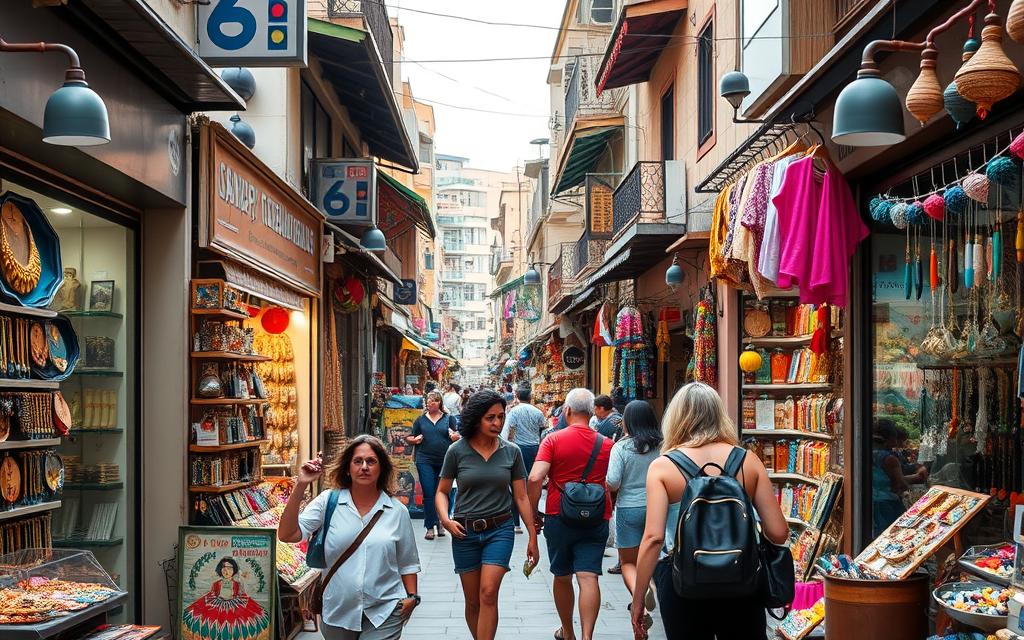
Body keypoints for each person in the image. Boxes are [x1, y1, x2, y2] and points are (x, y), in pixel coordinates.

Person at [630, 382, 788, 640]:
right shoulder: (748, 460)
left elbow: (653, 539)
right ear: (719, 415)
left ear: (676, 417)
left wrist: (638, 599)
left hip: (682, 582)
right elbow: (779, 533)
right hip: (742, 579)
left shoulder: (663, 467)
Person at [279, 435, 421, 640]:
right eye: (358, 461)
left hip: (385, 610)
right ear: (347, 467)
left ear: (381, 469)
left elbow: (407, 562)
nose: (364, 466)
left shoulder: (397, 511)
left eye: (371, 461)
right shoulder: (329, 502)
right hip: (338, 609)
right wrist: (300, 485)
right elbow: (287, 534)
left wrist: (412, 598)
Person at [436, 389, 539, 640]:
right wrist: (446, 521)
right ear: (476, 419)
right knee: (473, 602)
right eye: (490, 418)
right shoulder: (457, 451)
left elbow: (522, 496)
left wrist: (533, 536)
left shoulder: (511, 451)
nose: (497, 423)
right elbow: (441, 492)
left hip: (499, 529)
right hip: (464, 532)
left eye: (501, 417)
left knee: (488, 593)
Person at [528, 388, 613, 640]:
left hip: (559, 514)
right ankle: (588, 636)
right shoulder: (607, 444)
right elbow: (614, 481)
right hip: (597, 517)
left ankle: (569, 633)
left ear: (567, 411)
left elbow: (535, 477)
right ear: (591, 413)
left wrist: (533, 510)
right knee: (588, 577)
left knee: (562, 575)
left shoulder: (553, 440)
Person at [605, 400, 662, 631]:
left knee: (628, 561)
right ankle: (651, 584)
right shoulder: (663, 445)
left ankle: (644, 595)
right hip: (658, 507)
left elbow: (613, 481)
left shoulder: (621, 447)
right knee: (654, 555)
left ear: (627, 421)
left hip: (629, 508)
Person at [405, 391, 460, 540]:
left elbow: (457, 436)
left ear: (440, 403)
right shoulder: (420, 420)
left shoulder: (449, 419)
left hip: (445, 460)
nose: (430, 403)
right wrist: (414, 440)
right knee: (429, 493)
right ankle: (430, 526)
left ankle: (442, 522)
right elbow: (409, 437)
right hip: (425, 460)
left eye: (434, 401)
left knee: (443, 493)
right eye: (428, 401)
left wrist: (455, 437)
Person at [181, 556, 271, 640]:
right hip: (217, 603)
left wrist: (245, 580)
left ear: (234, 570)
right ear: (220, 570)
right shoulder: (216, 584)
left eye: (229, 568)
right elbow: (212, 594)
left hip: (234, 604)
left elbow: (243, 593)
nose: (226, 571)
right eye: (224, 568)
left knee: (241, 622)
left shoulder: (237, 584)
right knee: (209, 622)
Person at [502, 386, 547, 534]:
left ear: (517, 397)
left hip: (518, 448)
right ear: (530, 397)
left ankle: (516, 523)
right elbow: (543, 428)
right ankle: (533, 517)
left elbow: (510, 430)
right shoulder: (538, 412)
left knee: (516, 484)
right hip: (534, 449)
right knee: (534, 483)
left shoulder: (513, 411)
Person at [872, 418, 926, 537]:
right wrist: (918, 476)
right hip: (887, 506)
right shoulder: (890, 459)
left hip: (873, 505)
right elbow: (900, 484)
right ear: (891, 437)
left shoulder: (868, 452)